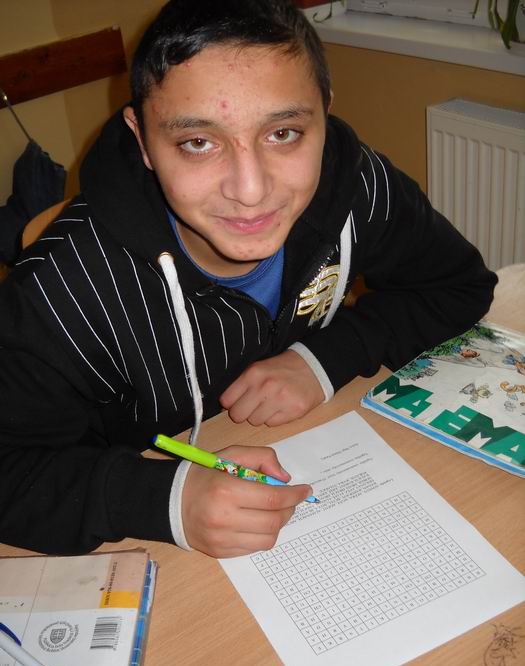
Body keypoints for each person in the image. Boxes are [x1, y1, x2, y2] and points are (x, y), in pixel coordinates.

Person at [0, 0, 497, 557]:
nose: (251, 190)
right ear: (142, 141)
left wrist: (324, 359)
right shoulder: (63, 288)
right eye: (197, 142)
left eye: (283, 132)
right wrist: (164, 499)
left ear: (324, 114)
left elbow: (460, 284)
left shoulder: (359, 187)